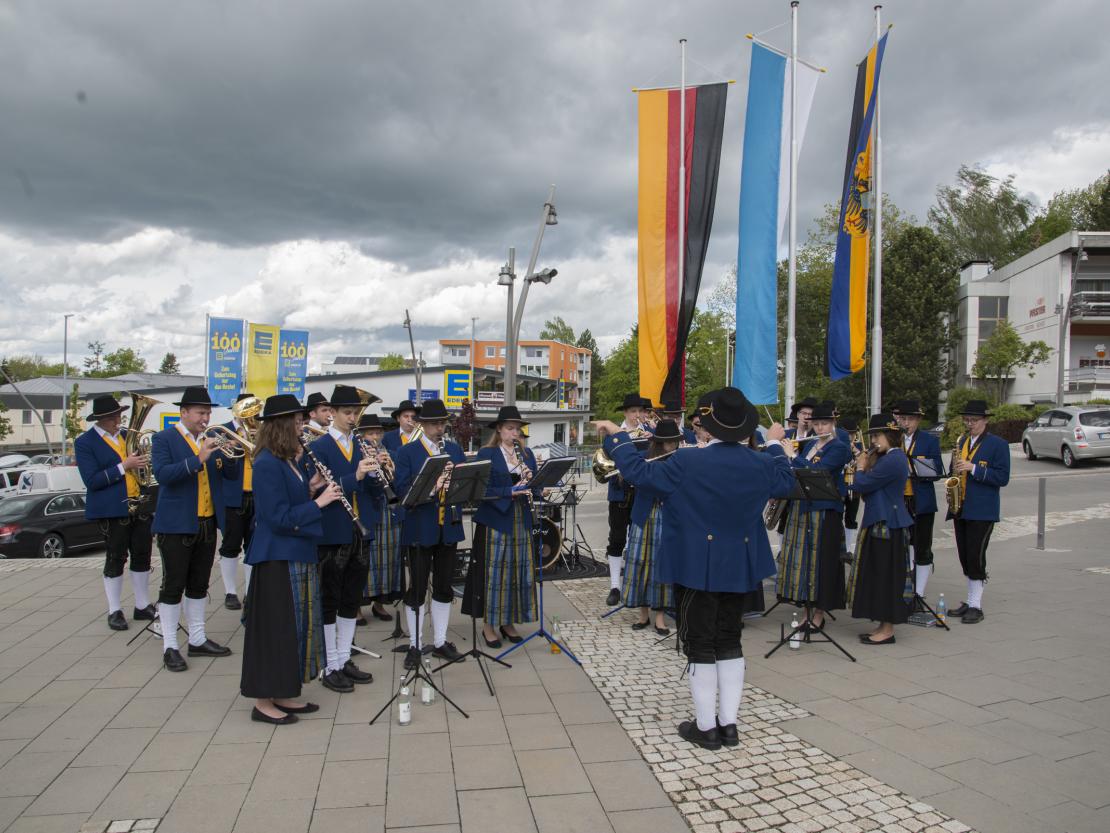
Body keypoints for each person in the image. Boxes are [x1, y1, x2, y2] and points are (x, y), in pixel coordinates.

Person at [595, 387, 794, 751]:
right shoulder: (762, 462)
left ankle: (706, 728)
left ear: (710, 425)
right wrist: (776, 444)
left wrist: (617, 436)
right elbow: (786, 477)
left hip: (696, 564)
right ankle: (729, 725)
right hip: (740, 564)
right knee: (729, 639)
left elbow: (638, 472)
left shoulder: (687, 461)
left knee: (700, 643)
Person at [241, 394, 343, 725]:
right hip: (276, 560)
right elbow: (276, 518)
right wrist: (320, 503)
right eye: (298, 422)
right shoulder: (267, 464)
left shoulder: (287, 461)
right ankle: (263, 701)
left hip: (295, 554)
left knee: (294, 630)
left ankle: (283, 692)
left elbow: (291, 501)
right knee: (276, 630)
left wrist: (311, 488)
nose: (302, 427)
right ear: (282, 426)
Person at [151, 386, 239, 672]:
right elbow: (163, 475)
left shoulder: (210, 439)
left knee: (199, 584)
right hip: (176, 524)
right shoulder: (164, 439)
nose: (206, 418)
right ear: (184, 412)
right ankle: (170, 646)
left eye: (208, 413)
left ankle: (198, 638)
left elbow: (229, 475)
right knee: (174, 584)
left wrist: (230, 454)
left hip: (207, 522)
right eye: (201, 413)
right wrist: (198, 459)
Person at [309, 385, 383, 692]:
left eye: (356, 413)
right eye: (347, 413)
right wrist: (358, 475)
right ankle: (329, 664)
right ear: (333, 413)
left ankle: (343, 658)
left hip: (361, 530)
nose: (353, 418)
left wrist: (378, 473)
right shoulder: (319, 447)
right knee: (330, 598)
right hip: (333, 530)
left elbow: (373, 492)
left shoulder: (362, 445)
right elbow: (319, 488)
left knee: (352, 598)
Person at [392, 398, 468, 669]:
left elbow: (465, 487)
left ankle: (440, 641)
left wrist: (455, 483)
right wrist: (434, 486)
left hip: (448, 527)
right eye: (434, 423)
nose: (439, 428)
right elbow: (402, 492)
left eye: (442, 423)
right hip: (419, 528)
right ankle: (414, 645)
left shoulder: (454, 450)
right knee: (417, 588)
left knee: (444, 587)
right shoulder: (407, 452)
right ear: (422, 425)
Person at [74, 395, 157, 631]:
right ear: (100, 419)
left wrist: (144, 464)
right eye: (113, 418)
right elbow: (92, 480)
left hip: (139, 505)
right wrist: (125, 466)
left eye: (119, 415)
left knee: (142, 555)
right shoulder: (85, 442)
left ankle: (142, 605)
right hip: (112, 508)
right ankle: (114, 609)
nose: (118, 421)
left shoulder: (126, 436)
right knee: (116, 557)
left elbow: (142, 469)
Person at [462, 405, 542, 648]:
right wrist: (509, 490)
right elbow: (479, 490)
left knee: (517, 573)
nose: (514, 433)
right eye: (509, 428)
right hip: (496, 520)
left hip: (521, 519)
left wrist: (535, 484)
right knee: (495, 574)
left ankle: (508, 622)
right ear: (499, 429)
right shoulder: (487, 453)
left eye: (517, 429)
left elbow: (536, 488)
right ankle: (489, 625)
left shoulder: (526, 454)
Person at [775, 403, 849, 632]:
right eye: (816, 424)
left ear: (833, 423)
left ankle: (819, 614)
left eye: (824, 423)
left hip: (825, 512)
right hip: (804, 508)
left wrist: (792, 456)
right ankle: (806, 610)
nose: (820, 428)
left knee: (821, 563)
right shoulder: (810, 445)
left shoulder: (839, 447)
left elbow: (819, 472)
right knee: (806, 563)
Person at [846, 414, 914, 645]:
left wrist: (861, 467)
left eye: (877, 436)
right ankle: (883, 625)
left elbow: (862, 484)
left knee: (887, 576)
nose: (873, 441)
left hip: (889, 524)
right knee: (878, 574)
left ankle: (888, 629)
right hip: (879, 521)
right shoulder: (886, 458)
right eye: (872, 436)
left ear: (891, 435)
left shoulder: (894, 459)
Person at [947, 400, 1010, 624]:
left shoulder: (998, 444)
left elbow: (1002, 477)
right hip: (961, 507)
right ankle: (969, 600)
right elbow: (954, 470)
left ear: (985, 420)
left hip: (982, 510)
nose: (969, 424)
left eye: (974, 420)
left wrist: (973, 468)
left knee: (976, 556)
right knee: (965, 556)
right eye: (967, 420)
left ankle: (976, 606)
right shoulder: (962, 441)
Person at [621, 420, 682, 635]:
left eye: (676, 441)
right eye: (670, 442)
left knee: (661, 565)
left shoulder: (679, 461)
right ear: (660, 442)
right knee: (640, 564)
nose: (674, 445)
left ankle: (660, 618)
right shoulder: (644, 459)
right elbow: (632, 479)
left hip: (667, 517)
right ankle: (643, 614)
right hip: (644, 517)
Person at [892, 399, 945, 604]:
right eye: (903, 419)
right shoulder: (893, 438)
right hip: (898, 500)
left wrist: (914, 467)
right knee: (900, 546)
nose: (906, 423)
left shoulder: (929, 441)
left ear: (918, 420)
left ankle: (919, 593)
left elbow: (937, 471)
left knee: (922, 545)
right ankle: (902, 589)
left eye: (910, 419)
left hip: (921, 501)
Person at [604, 393, 650, 607]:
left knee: (639, 540)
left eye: (640, 411)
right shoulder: (613, 434)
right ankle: (615, 586)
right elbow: (605, 460)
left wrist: (651, 440)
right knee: (617, 539)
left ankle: (635, 585)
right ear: (625, 413)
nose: (637, 415)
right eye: (633, 411)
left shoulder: (649, 433)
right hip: (619, 493)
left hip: (642, 492)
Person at [357, 412, 403, 622]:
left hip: (389, 511)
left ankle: (380, 604)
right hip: (368, 510)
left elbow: (398, 481)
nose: (375, 437)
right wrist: (372, 463)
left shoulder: (390, 452)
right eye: (370, 433)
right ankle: (357, 607)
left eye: (378, 433)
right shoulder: (357, 454)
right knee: (367, 560)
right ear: (362, 435)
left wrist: (388, 465)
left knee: (388, 559)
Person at [218, 393, 257, 611]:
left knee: (253, 546)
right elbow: (221, 464)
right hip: (234, 496)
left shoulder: (261, 431)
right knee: (230, 545)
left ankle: (250, 591)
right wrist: (234, 445)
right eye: (247, 410)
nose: (251, 415)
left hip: (257, 495)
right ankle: (230, 591)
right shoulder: (223, 431)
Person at [839, 417, 864, 558]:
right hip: (841, 484)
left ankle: (848, 548)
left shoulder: (858, 446)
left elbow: (864, 462)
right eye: (847, 433)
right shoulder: (838, 445)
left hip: (854, 486)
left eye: (853, 433)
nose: (850, 436)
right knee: (838, 516)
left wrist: (855, 450)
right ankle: (840, 548)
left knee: (851, 517)